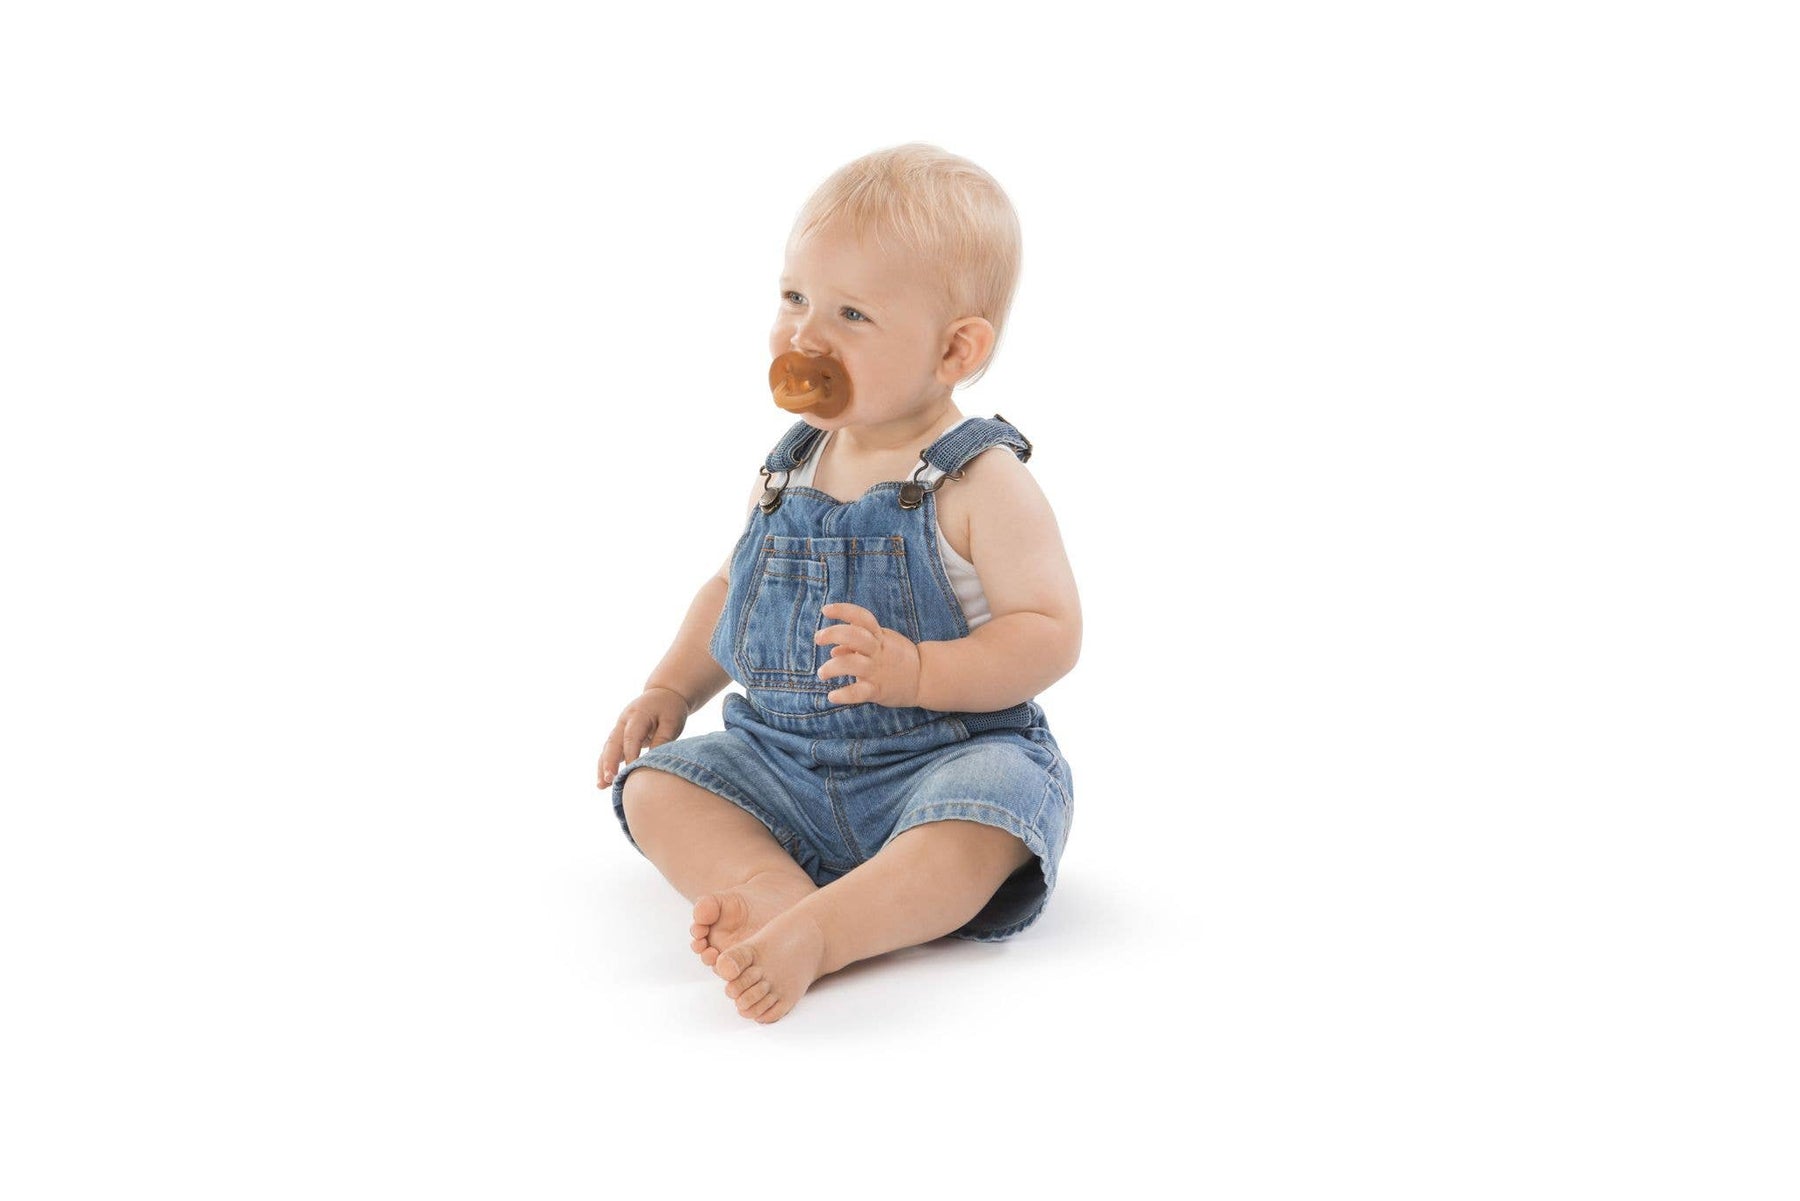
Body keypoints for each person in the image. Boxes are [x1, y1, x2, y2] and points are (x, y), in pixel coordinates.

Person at [597, 143, 1081, 1024]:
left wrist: (921, 671)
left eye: (852, 313)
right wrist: (670, 686)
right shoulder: (791, 467)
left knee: (996, 808)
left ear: (955, 348)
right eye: (795, 298)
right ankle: (769, 887)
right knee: (657, 786)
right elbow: (731, 587)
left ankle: (831, 929)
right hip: (783, 762)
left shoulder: (980, 480)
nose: (804, 336)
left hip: (938, 761)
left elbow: (1050, 629)